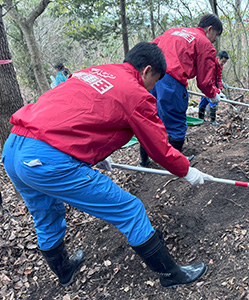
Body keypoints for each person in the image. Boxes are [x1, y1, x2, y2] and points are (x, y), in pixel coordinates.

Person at [1, 42, 212, 288]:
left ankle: (65, 272)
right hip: (47, 159)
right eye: (155, 80)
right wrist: (186, 170)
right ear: (146, 71)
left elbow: (78, 113)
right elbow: (159, 146)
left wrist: (96, 155)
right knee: (130, 209)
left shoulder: (96, 71)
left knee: (46, 214)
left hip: (14, 148)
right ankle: (171, 275)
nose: (153, 87)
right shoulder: (135, 93)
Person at [139, 13, 223, 167]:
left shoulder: (173, 31)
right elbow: (204, 81)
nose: (214, 40)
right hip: (172, 83)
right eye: (215, 35)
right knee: (176, 123)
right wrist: (213, 95)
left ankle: (144, 162)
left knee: (149, 120)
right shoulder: (205, 44)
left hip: (150, 78)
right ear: (210, 29)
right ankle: (173, 165)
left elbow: (149, 48)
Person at [198, 50, 229, 126]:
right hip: (206, 85)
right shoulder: (211, 65)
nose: (223, 64)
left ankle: (201, 118)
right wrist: (217, 92)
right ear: (218, 58)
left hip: (213, 85)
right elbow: (209, 80)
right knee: (212, 100)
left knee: (204, 100)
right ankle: (212, 120)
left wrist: (220, 89)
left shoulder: (220, 66)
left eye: (225, 62)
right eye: (222, 61)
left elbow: (219, 78)